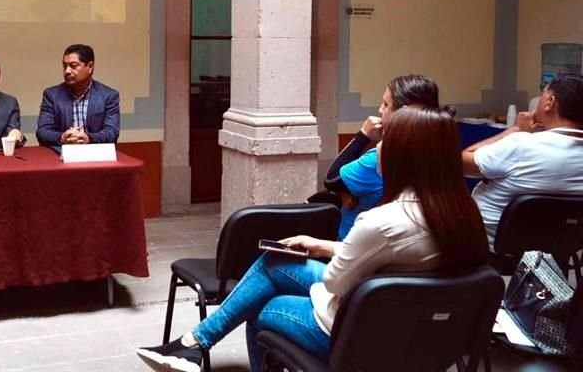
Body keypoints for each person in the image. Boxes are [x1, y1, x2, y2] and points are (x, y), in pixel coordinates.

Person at [137, 107, 488, 372]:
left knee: (260, 304)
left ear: (405, 155)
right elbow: (397, 257)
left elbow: (336, 282)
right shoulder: (462, 213)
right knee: (276, 260)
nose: (376, 149)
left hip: (358, 329)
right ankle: (194, 343)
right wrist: (323, 246)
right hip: (424, 330)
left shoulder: (383, 221)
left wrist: (313, 286)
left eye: (384, 142)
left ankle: (196, 344)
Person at [462, 73, 583, 246]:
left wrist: (516, 129)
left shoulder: (521, 144)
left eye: (543, 97)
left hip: (492, 246)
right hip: (560, 248)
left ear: (550, 102)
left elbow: (462, 163)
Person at [323, 74, 448, 238]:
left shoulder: (379, 158)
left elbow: (332, 180)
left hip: (357, 243)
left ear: (403, 113)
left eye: (386, 104)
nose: (380, 110)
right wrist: (344, 193)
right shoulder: (441, 150)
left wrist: (363, 136)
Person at [36, 43, 120, 150]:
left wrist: (88, 138)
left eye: (73, 66)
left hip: (96, 155)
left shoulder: (108, 96)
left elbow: (111, 133)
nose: (67, 71)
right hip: (62, 155)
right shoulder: (52, 95)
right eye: (64, 66)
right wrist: (62, 137)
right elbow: (42, 132)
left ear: (90, 66)